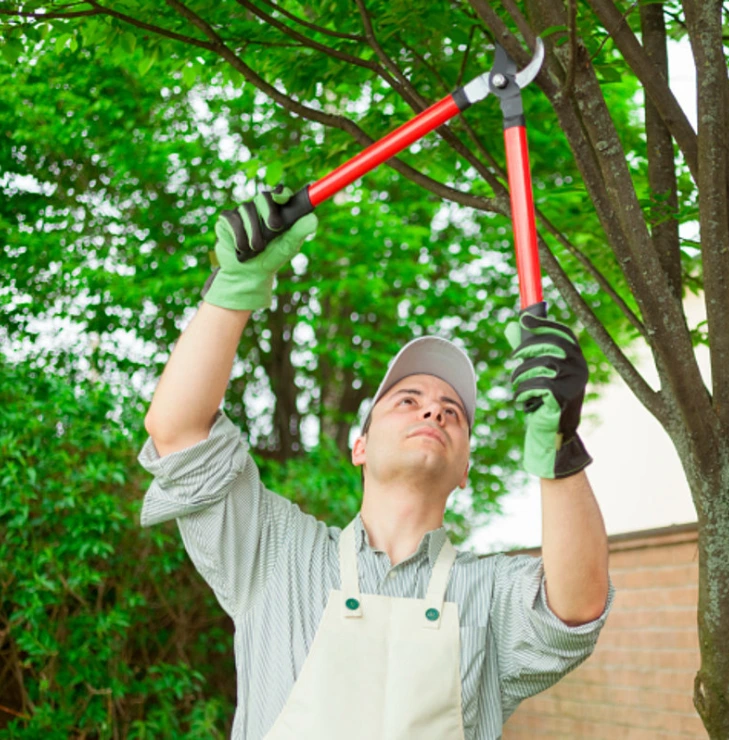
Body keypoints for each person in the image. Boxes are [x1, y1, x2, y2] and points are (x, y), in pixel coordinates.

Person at [138, 184, 615, 739]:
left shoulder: (489, 596)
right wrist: (233, 290)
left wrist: (559, 447)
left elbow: (576, 608)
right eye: (407, 401)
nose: (433, 412)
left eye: (451, 412)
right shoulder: (277, 554)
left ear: (464, 471)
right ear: (359, 447)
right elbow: (179, 433)